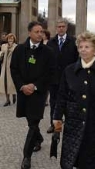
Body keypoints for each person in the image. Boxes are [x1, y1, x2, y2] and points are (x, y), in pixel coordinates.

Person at [53, 31, 95, 169]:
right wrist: (57, 117)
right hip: (74, 123)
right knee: (77, 159)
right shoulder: (69, 70)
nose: (83, 50)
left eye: (87, 47)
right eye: (80, 47)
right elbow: (62, 95)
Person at [10, 21, 55, 169]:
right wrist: (22, 86)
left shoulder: (48, 52)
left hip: (38, 93)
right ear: (29, 33)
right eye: (37, 31)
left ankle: (26, 157)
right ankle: (39, 138)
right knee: (30, 122)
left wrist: (34, 86)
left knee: (34, 122)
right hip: (23, 92)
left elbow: (49, 73)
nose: (40, 34)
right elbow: (14, 69)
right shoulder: (19, 49)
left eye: (41, 32)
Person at [46, 18, 78, 133]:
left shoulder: (73, 41)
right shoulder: (50, 42)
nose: (60, 28)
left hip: (69, 79)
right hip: (54, 79)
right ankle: (53, 124)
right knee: (54, 102)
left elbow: (76, 60)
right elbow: (47, 62)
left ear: (66, 28)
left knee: (70, 103)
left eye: (62, 26)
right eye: (58, 26)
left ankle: (70, 124)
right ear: (56, 28)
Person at [0, 33, 17, 106]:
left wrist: (10, 48)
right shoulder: (4, 46)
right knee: (5, 83)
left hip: (12, 67)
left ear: (14, 39)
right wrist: (1, 54)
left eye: (12, 38)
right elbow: (1, 53)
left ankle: (14, 94)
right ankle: (7, 100)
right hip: (4, 66)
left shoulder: (16, 46)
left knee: (12, 83)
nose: (10, 40)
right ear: (7, 39)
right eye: (9, 38)